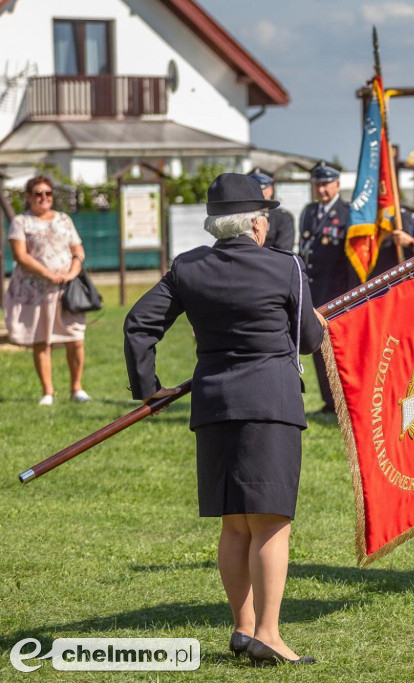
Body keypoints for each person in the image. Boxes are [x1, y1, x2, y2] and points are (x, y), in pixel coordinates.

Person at [124, 173, 325, 664]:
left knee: (235, 526)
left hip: (214, 405)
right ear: (256, 222)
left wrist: (148, 390)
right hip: (269, 405)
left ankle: (243, 627)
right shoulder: (288, 268)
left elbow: (139, 324)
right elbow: (309, 341)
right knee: (271, 524)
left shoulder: (188, 267)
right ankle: (270, 635)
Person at [3, 175, 90, 405]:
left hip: (67, 290)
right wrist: (49, 274)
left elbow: (78, 249)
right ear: (29, 197)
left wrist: (72, 272)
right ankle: (48, 392)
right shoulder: (21, 222)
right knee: (42, 340)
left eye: (48, 193)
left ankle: (77, 388)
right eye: (38, 194)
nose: (44, 198)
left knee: (76, 338)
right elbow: (20, 256)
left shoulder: (63, 219)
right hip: (35, 292)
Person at [298, 161, 355, 413]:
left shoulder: (347, 213)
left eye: (326, 184)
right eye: (317, 184)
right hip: (313, 291)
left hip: (336, 291)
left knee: (340, 350)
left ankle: (344, 400)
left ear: (337, 185)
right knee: (319, 349)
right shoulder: (309, 212)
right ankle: (328, 401)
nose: (321, 189)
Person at [248, 167, 296, 252]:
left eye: (262, 189)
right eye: (254, 190)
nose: (258, 193)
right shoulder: (241, 217)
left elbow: (283, 251)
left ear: (271, 189)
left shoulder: (282, 218)